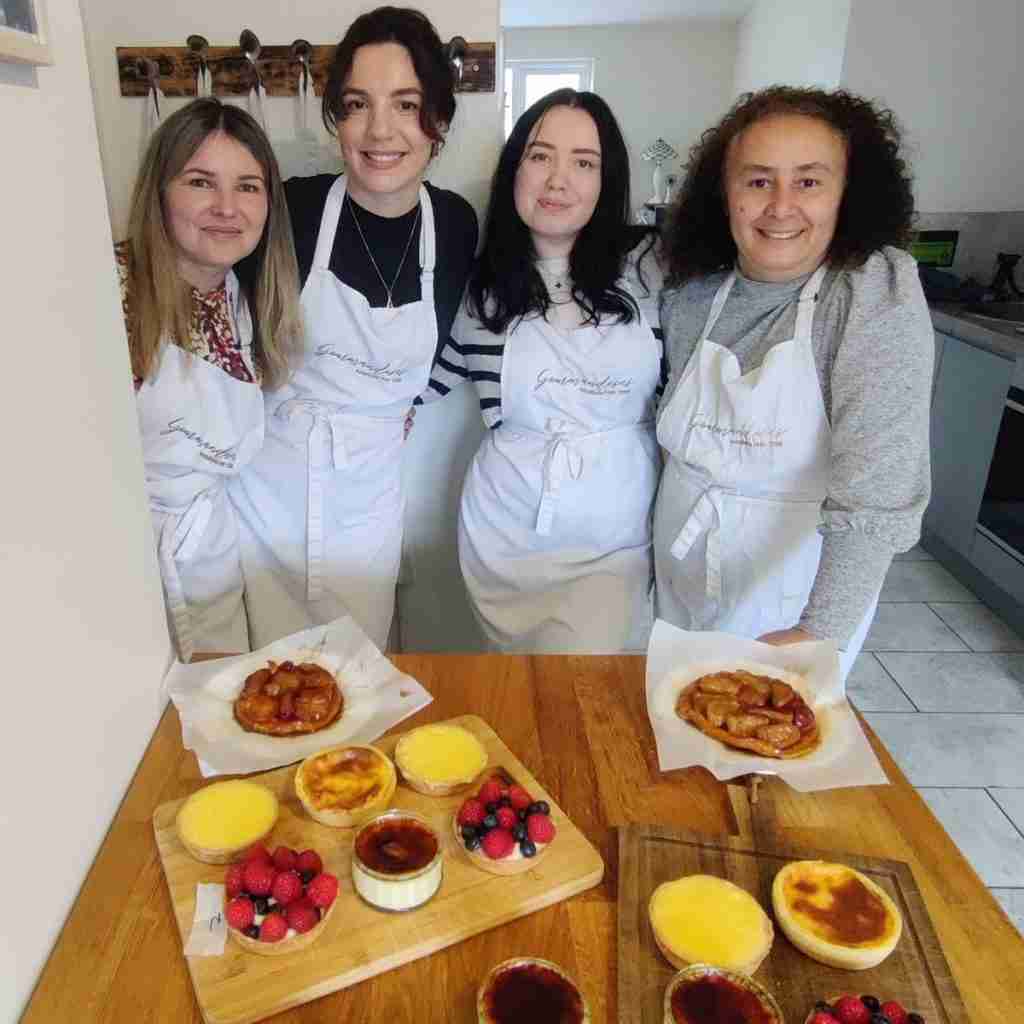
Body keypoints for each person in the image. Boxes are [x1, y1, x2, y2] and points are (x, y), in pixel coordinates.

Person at [653, 86, 932, 679]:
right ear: (723, 194)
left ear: (847, 194)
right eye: (757, 181)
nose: (780, 207)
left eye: (808, 181)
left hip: (794, 597)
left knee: (765, 758)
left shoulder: (869, 294)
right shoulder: (691, 294)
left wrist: (818, 631)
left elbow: (880, 489)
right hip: (679, 577)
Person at [229, 6, 478, 651]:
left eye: (405, 104)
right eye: (356, 104)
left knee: (354, 681)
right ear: (337, 117)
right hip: (266, 497)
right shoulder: (291, 209)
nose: (379, 130)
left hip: (369, 501)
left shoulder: (454, 228)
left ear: (439, 121)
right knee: (259, 685)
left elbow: (446, 345)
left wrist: (400, 406)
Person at [425, 89, 663, 652]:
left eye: (584, 162)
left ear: (607, 182)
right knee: (521, 693)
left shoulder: (654, 268)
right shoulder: (477, 288)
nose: (559, 179)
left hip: (616, 536)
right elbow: (416, 379)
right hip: (505, 535)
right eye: (540, 156)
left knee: (593, 689)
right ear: (514, 170)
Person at [119, 98, 302, 662]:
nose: (227, 207)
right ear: (160, 193)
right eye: (201, 182)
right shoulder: (118, 294)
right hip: (127, 574)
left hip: (211, 562)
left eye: (248, 187)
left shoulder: (241, 301)